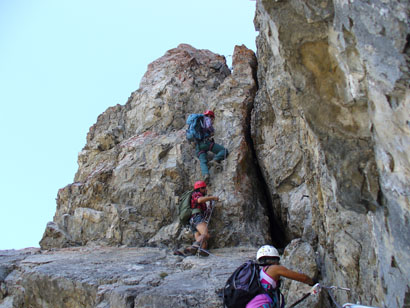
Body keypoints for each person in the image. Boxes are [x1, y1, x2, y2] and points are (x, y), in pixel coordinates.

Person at [246, 245, 317, 308]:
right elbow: (302, 278)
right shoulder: (275, 269)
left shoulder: (258, 272)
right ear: (275, 258)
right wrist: (312, 282)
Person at [187, 180, 219, 256]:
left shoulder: (198, 198)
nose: (206, 190)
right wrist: (212, 197)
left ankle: (201, 252)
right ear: (200, 188)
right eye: (204, 188)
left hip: (193, 221)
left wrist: (210, 204)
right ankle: (191, 247)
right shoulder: (196, 194)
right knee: (206, 235)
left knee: (203, 241)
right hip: (197, 218)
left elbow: (205, 212)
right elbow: (200, 200)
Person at [196, 110, 228, 183]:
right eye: (212, 117)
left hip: (198, 146)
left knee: (203, 162)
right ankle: (215, 160)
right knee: (224, 151)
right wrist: (212, 131)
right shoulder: (207, 119)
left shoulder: (197, 123)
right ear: (210, 116)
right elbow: (209, 127)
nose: (212, 119)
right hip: (205, 143)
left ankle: (206, 175)